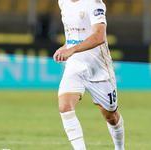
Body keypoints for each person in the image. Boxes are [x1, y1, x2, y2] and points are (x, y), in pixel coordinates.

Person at [53, 0, 125, 150]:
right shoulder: (63, 2)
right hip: (75, 67)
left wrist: (71, 50)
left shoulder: (94, 3)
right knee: (65, 106)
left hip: (99, 71)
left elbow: (99, 37)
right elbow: (73, 34)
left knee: (111, 117)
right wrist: (65, 47)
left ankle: (120, 148)